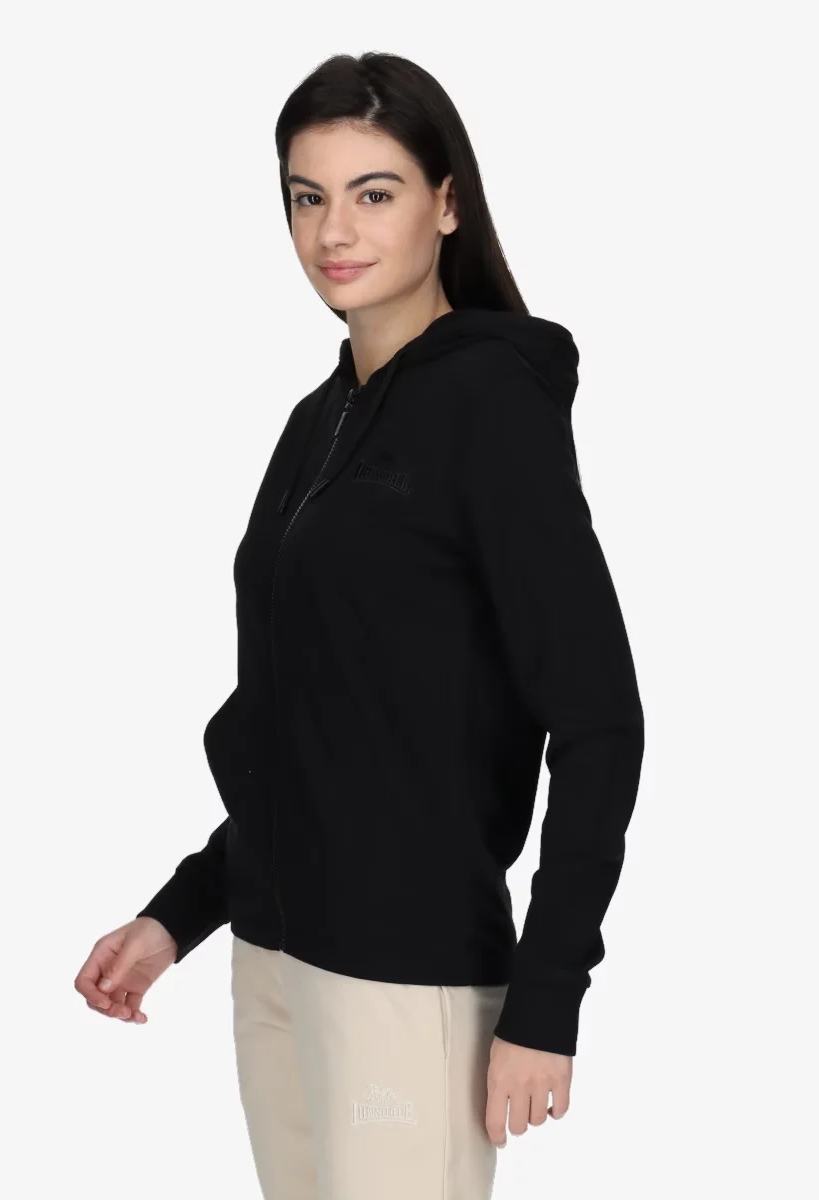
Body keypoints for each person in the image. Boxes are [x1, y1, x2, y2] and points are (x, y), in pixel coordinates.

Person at [74, 51, 645, 1199]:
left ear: (447, 202)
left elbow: (599, 721)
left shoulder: (491, 405)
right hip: (274, 959)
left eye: (374, 192)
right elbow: (314, 725)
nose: (334, 230)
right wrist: (181, 913)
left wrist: (546, 1000)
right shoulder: (316, 421)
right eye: (307, 196)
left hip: (405, 972)